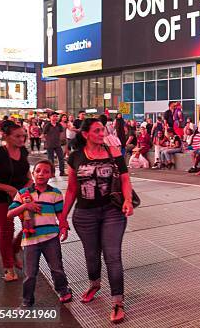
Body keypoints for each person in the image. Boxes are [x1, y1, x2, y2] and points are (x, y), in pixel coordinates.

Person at [59, 118, 134, 324]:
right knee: (91, 254)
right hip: (85, 215)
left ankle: (118, 301)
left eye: (103, 130)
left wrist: (127, 200)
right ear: (85, 134)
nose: (102, 133)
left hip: (112, 212)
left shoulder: (114, 153)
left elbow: (126, 179)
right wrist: (63, 218)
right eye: (97, 131)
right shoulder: (75, 157)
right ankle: (95, 283)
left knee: (112, 255)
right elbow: (72, 189)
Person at [7, 160, 73, 307]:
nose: (41, 174)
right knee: (30, 274)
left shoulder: (55, 193)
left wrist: (63, 227)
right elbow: (10, 214)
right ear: (33, 173)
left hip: (51, 238)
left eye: (46, 171)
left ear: (51, 174)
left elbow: (60, 214)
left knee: (56, 267)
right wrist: (25, 205)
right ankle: (27, 301)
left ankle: (63, 290)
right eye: (38, 171)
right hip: (30, 240)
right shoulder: (23, 194)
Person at [0, 121, 31, 282]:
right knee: (7, 230)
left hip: (22, 195)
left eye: (23, 136)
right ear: (6, 137)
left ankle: (14, 249)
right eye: (17, 136)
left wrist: (28, 187)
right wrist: (8, 188)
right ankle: (8, 268)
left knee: (30, 225)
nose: (21, 139)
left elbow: (29, 176)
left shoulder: (24, 151)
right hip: (2, 198)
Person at [43, 112, 66, 176]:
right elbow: (44, 134)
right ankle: (52, 173)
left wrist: (61, 140)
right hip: (49, 145)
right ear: (50, 117)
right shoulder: (47, 125)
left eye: (56, 116)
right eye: (53, 116)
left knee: (61, 158)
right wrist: (46, 141)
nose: (55, 117)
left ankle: (62, 172)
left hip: (58, 144)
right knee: (51, 160)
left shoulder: (59, 125)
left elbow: (61, 132)